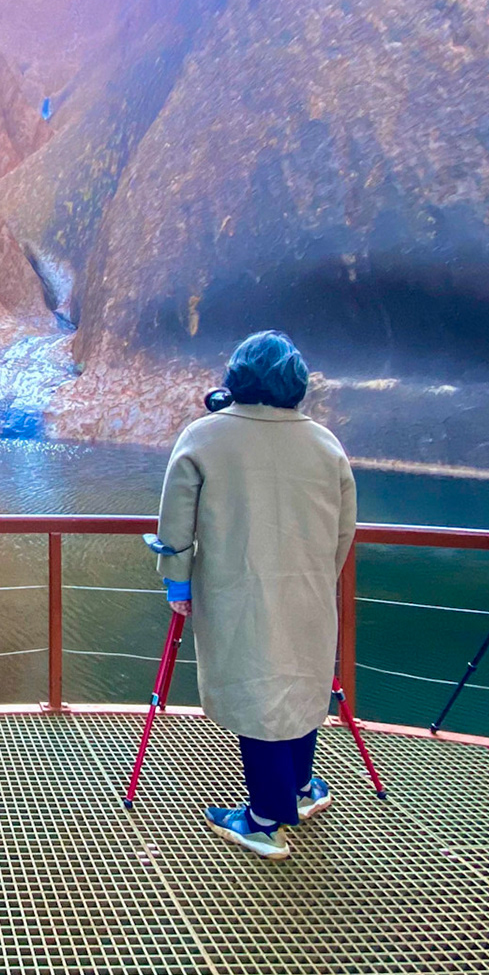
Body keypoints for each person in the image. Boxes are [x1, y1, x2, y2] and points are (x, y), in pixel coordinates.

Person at [154, 331, 357, 860]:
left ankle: (265, 822)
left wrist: (178, 581)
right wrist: (316, 576)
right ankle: (301, 789)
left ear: (236, 378)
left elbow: (176, 522)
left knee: (259, 691)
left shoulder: (204, 437)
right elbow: (343, 529)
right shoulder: (325, 443)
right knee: (299, 680)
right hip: (310, 588)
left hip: (237, 588)